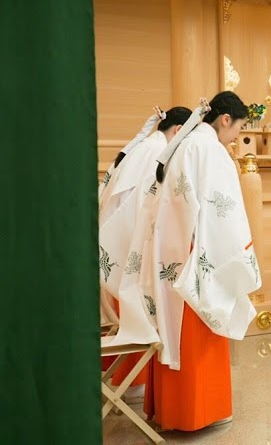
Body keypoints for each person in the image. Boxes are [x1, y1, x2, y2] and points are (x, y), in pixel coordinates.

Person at [135, 91, 262, 431]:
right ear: (224, 120)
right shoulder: (209, 149)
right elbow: (224, 211)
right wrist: (239, 255)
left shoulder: (185, 143)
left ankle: (173, 412)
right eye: (239, 127)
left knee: (174, 334)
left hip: (172, 251)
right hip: (196, 254)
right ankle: (196, 414)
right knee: (198, 330)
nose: (238, 135)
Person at [98, 106, 192, 397]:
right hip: (126, 241)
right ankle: (134, 383)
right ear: (178, 131)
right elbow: (137, 203)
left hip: (118, 241)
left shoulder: (147, 146)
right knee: (140, 305)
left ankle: (132, 383)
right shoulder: (154, 152)